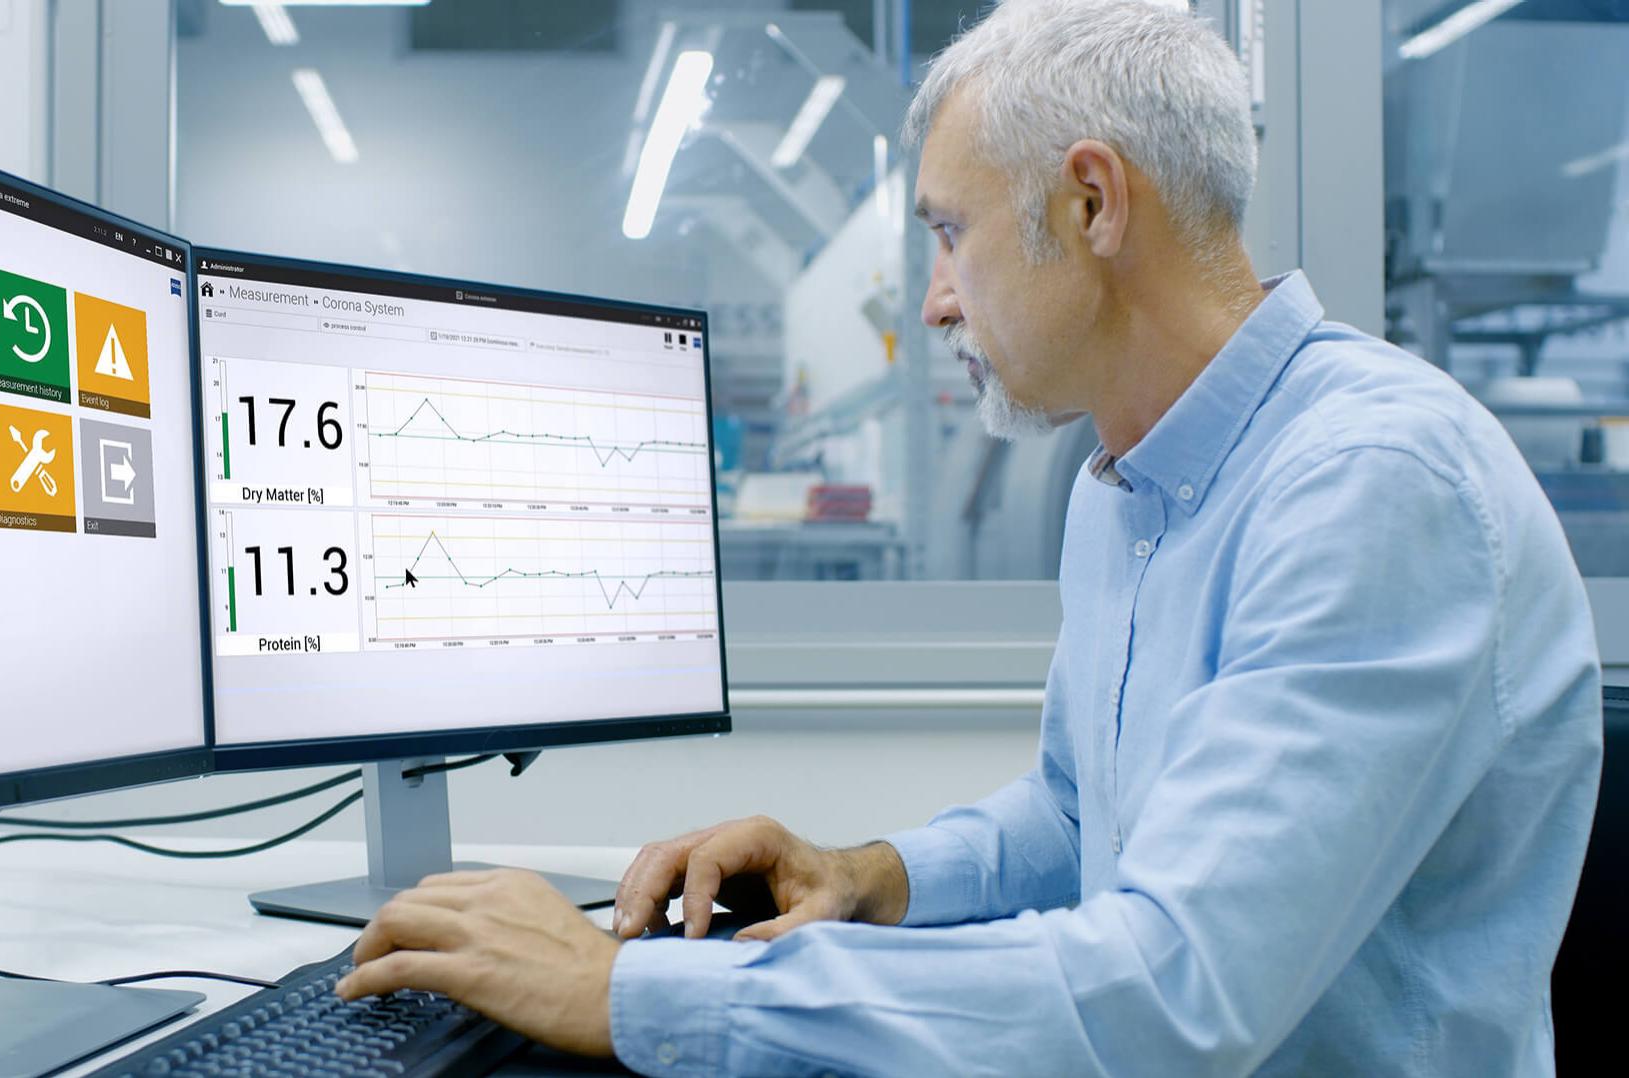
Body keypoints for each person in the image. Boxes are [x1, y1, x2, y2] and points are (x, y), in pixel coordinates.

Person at [334, 1, 1603, 1072]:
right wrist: (866, 875)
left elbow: (1176, 988)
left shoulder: (1371, 487)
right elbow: (1078, 817)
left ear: (1093, 202)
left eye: (950, 232)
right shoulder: (1128, 483)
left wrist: (623, 996)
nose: (935, 299)